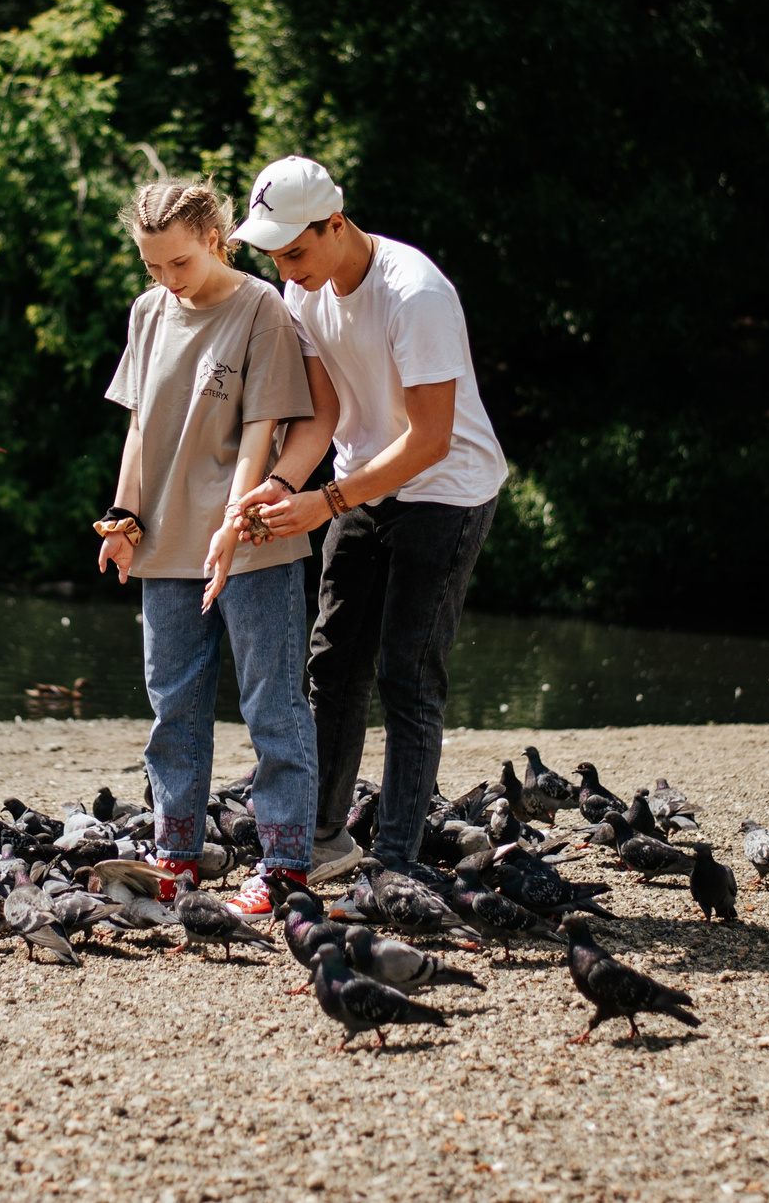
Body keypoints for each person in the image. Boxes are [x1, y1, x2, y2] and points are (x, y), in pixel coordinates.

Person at [228, 155, 509, 876]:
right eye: (273, 256)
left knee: (407, 675)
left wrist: (325, 502)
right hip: (361, 482)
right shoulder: (303, 292)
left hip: (447, 488)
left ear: (336, 223)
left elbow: (431, 438)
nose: (285, 270)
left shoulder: (414, 292)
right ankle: (324, 837)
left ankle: (396, 865)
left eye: (295, 251)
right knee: (332, 662)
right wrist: (283, 484)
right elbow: (323, 413)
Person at [97, 179, 332, 915]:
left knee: (273, 706)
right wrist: (123, 517)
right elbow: (140, 427)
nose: (168, 279)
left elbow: (262, 431)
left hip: (253, 543)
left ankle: (285, 865)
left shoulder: (261, 306)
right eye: (153, 266)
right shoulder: (148, 312)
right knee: (173, 708)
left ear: (213, 238)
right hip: (167, 545)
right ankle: (176, 855)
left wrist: (233, 521)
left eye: (180, 263)